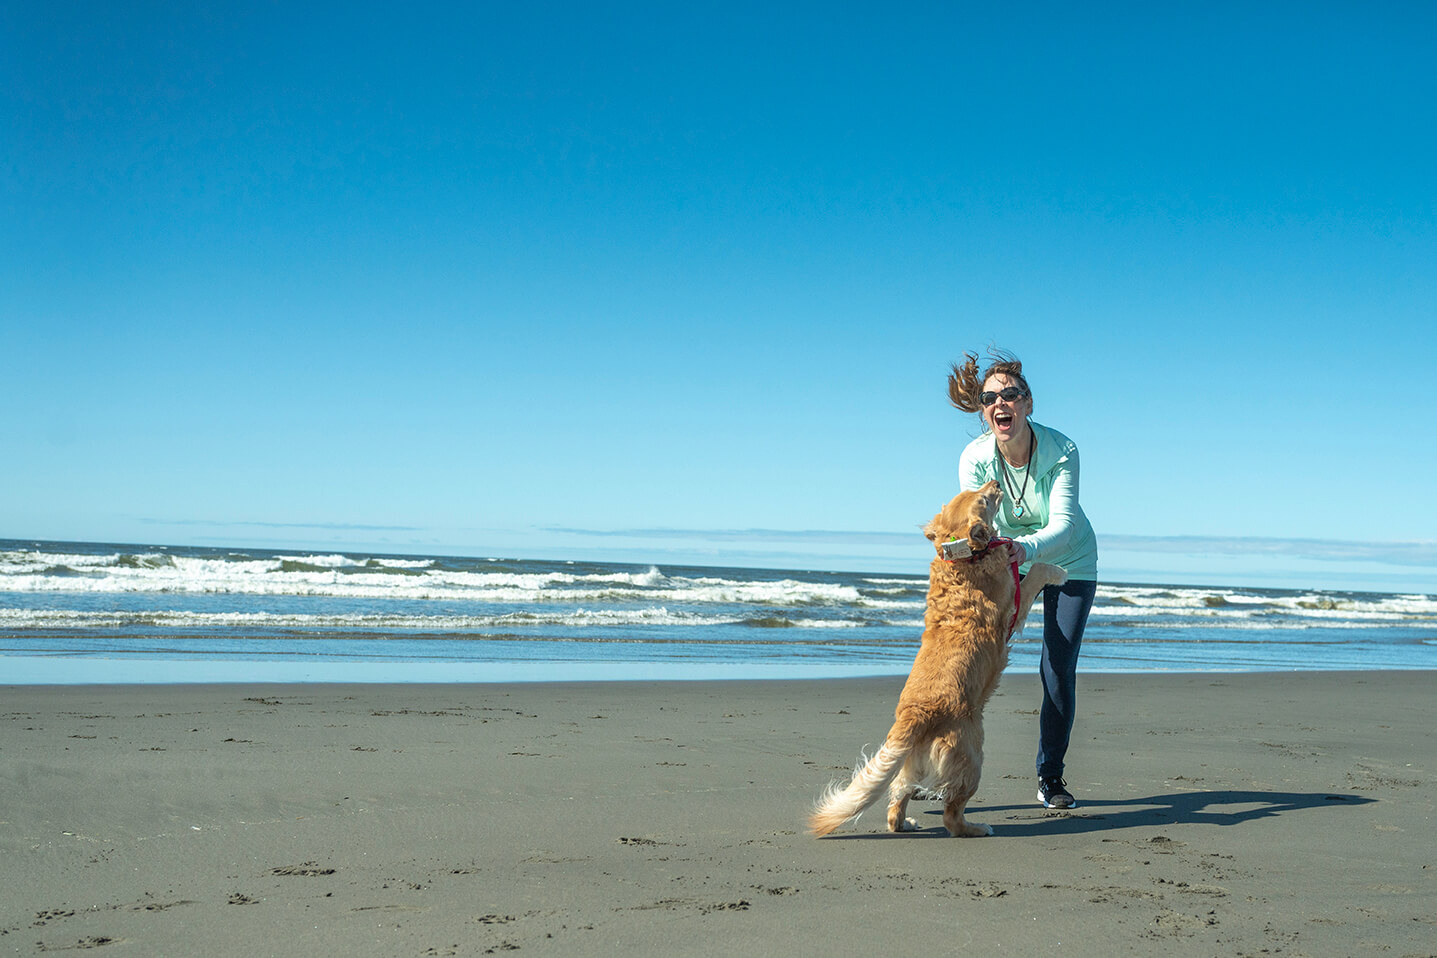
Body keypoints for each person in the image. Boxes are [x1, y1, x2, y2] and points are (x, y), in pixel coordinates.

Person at [948, 348, 1098, 809]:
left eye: (1010, 394)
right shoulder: (975, 457)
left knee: (1056, 668)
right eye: (990, 397)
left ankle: (1050, 777)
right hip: (1008, 561)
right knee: (965, 657)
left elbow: (1065, 524)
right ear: (983, 410)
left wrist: (1026, 550)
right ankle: (939, 765)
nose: (1000, 403)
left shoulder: (1061, 450)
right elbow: (974, 522)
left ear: (1028, 402)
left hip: (1070, 562)